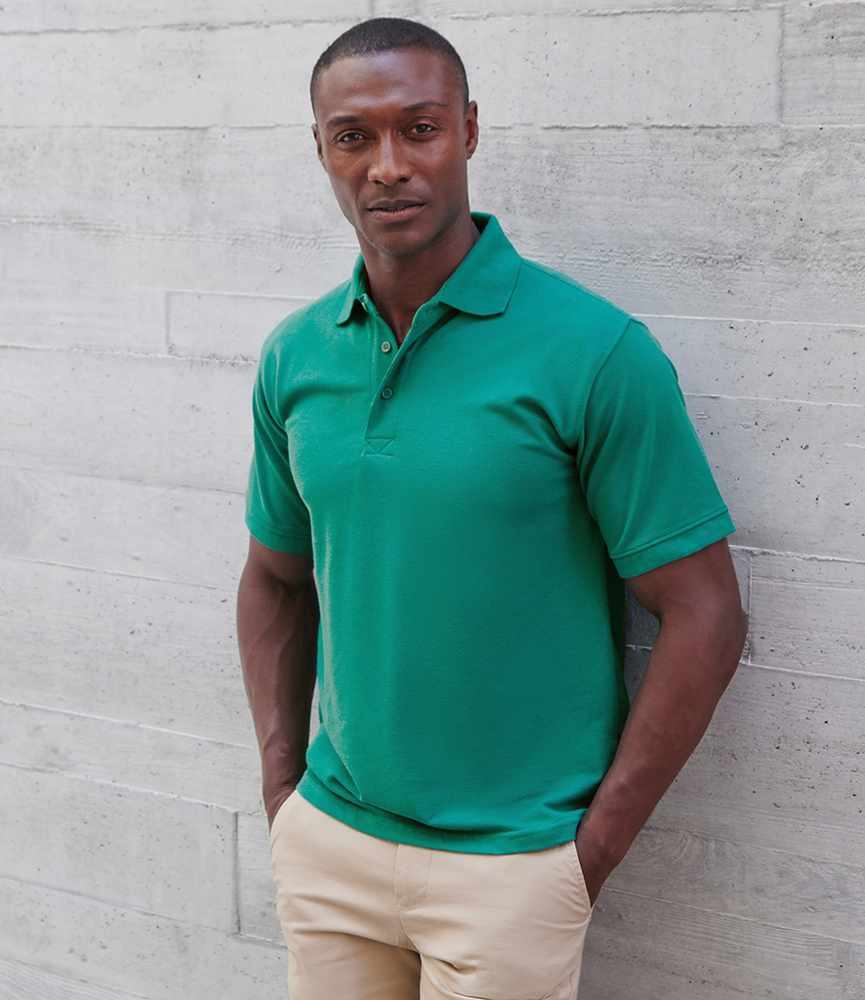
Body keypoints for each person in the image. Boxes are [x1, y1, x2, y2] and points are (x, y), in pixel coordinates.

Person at [237, 17, 748, 1000]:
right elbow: (273, 577)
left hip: (510, 868)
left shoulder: (591, 350)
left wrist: (585, 855)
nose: (389, 165)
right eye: (354, 137)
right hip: (331, 845)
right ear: (321, 149)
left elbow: (704, 611)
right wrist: (282, 793)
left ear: (467, 130)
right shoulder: (296, 355)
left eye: (419, 128)